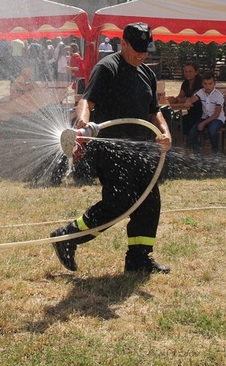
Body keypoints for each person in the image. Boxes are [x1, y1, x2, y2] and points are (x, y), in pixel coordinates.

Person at [50, 22, 172, 274]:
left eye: (145, 50)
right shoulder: (108, 68)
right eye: (136, 49)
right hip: (111, 150)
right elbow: (87, 99)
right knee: (118, 203)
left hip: (141, 150)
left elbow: (154, 112)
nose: (141, 55)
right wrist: (82, 122)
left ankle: (139, 258)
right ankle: (68, 236)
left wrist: (165, 132)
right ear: (123, 43)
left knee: (150, 202)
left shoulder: (147, 74)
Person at [185, 72, 225, 156]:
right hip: (205, 117)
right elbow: (192, 99)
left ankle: (215, 153)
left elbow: (217, 114)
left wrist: (203, 123)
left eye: (210, 83)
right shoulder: (201, 92)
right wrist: (188, 101)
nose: (207, 86)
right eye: (205, 84)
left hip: (216, 118)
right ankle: (197, 153)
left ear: (214, 83)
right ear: (202, 84)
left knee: (212, 130)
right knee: (192, 132)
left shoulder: (219, 96)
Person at [166, 61, 202, 135]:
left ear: (196, 72)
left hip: (201, 113)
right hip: (190, 111)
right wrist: (173, 99)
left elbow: (193, 98)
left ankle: (182, 143)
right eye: (186, 71)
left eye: (190, 71)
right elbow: (180, 96)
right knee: (172, 121)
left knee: (178, 124)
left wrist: (177, 100)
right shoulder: (185, 83)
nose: (187, 73)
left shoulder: (200, 82)